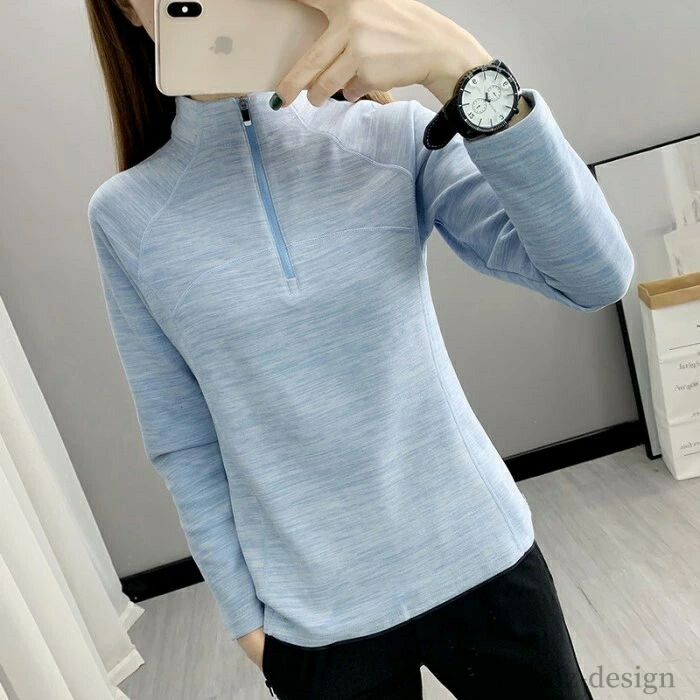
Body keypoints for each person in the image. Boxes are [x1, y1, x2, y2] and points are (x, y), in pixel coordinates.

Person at [85, 0, 634, 697]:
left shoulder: (391, 136)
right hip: (316, 619)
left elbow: (594, 276)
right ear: (125, 11)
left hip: (480, 557)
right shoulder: (126, 216)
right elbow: (183, 439)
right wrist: (243, 617)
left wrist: (465, 71)